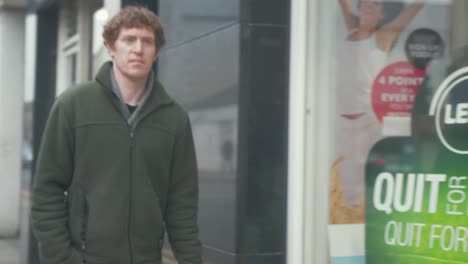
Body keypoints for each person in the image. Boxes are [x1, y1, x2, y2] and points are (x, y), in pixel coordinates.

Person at [31, 6, 202, 264]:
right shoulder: (73, 106)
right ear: (111, 46)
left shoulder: (174, 118)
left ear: (155, 52)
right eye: (129, 39)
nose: (138, 48)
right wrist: (62, 258)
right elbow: (47, 191)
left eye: (147, 41)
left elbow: (182, 204)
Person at [335, 0, 424, 205]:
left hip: (367, 120)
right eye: (365, 2)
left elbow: (412, 10)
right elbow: (343, 4)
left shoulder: (381, 37)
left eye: (375, 4)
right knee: (350, 189)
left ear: (382, 13)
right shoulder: (352, 31)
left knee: (368, 177)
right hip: (344, 121)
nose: (368, 6)